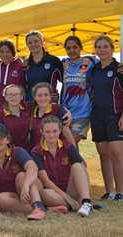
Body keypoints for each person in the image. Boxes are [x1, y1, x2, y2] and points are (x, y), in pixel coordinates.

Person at [0, 123, 64, 221]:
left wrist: (26, 185)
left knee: (21, 175)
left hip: (28, 188)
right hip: (10, 195)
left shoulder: (17, 151)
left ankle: (38, 206)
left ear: (7, 139)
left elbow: (32, 167)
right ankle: (45, 210)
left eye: (1, 138)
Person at [31, 115, 93, 217]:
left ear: (60, 131)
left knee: (77, 166)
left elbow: (82, 168)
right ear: (41, 132)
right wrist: (68, 198)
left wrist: (86, 193)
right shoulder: (36, 151)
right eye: (47, 132)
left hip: (70, 188)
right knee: (45, 194)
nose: (51, 135)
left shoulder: (68, 146)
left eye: (55, 131)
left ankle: (86, 202)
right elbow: (46, 181)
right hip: (55, 192)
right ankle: (72, 205)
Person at [88, 35, 123, 201]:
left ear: (112, 48)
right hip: (97, 116)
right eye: (99, 47)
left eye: (105, 46)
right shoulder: (93, 70)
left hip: (115, 116)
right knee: (103, 154)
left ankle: (120, 192)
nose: (102, 50)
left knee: (117, 153)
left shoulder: (119, 69)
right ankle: (109, 191)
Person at [61, 36, 96, 146]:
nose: (72, 50)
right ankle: (78, 163)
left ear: (81, 47)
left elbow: (108, 63)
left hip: (83, 112)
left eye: (75, 47)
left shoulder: (89, 61)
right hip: (66, 112)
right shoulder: (64, 64)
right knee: (71, 148)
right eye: (68, 48)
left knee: (69, 143)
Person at [30, 82, 75, 149]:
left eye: (46, 95)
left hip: (57, 152)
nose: (43, 98)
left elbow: (68, 136)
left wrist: (75, 154)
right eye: (39, 95)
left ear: (50, 96)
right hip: (36, 153)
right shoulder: (30, 109)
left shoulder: (58, 110)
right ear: (34, 97)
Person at [24, 31, 63, 103]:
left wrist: (59, 96)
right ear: (27, 45)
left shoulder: (54, 60)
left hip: (49, 104)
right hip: (30, 104)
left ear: (42, 42)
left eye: (36, 41)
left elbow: (65, 82)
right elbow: (24, 85)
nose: (33, 44)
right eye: (30, 43)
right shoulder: (25, 63)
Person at [0, 39, 24, 114]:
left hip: (15, 109)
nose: (5, 54)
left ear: (13, 52)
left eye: (8, 52)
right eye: (2, 52)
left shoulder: (20, 67)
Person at [0, 84, 31, 150]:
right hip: (8, 151)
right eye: (10, 95)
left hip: (27, 150)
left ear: (21, 97)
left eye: (16, 94)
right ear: (5, 97)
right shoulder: (0, 115)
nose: (13, 97)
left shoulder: (27, 111)